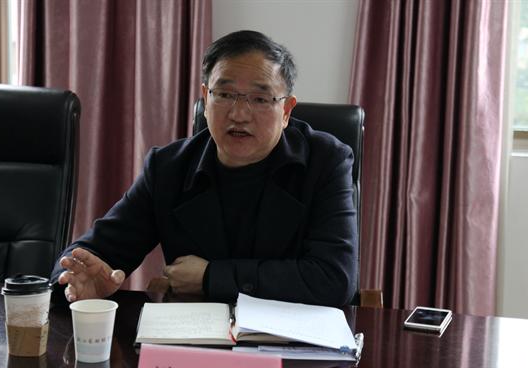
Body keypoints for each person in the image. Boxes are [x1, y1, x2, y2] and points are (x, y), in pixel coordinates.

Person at [51, 30, 357, 307]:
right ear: (205, 98)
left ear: (286, 110)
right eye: (224, 94)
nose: (239, 114)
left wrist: (213, 276)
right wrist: (75, 279)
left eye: (260, 99)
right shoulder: (168, 168)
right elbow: (97, 250)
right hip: (195, 339)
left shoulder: (325, 161)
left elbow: (335, 279)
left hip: (294, 342)